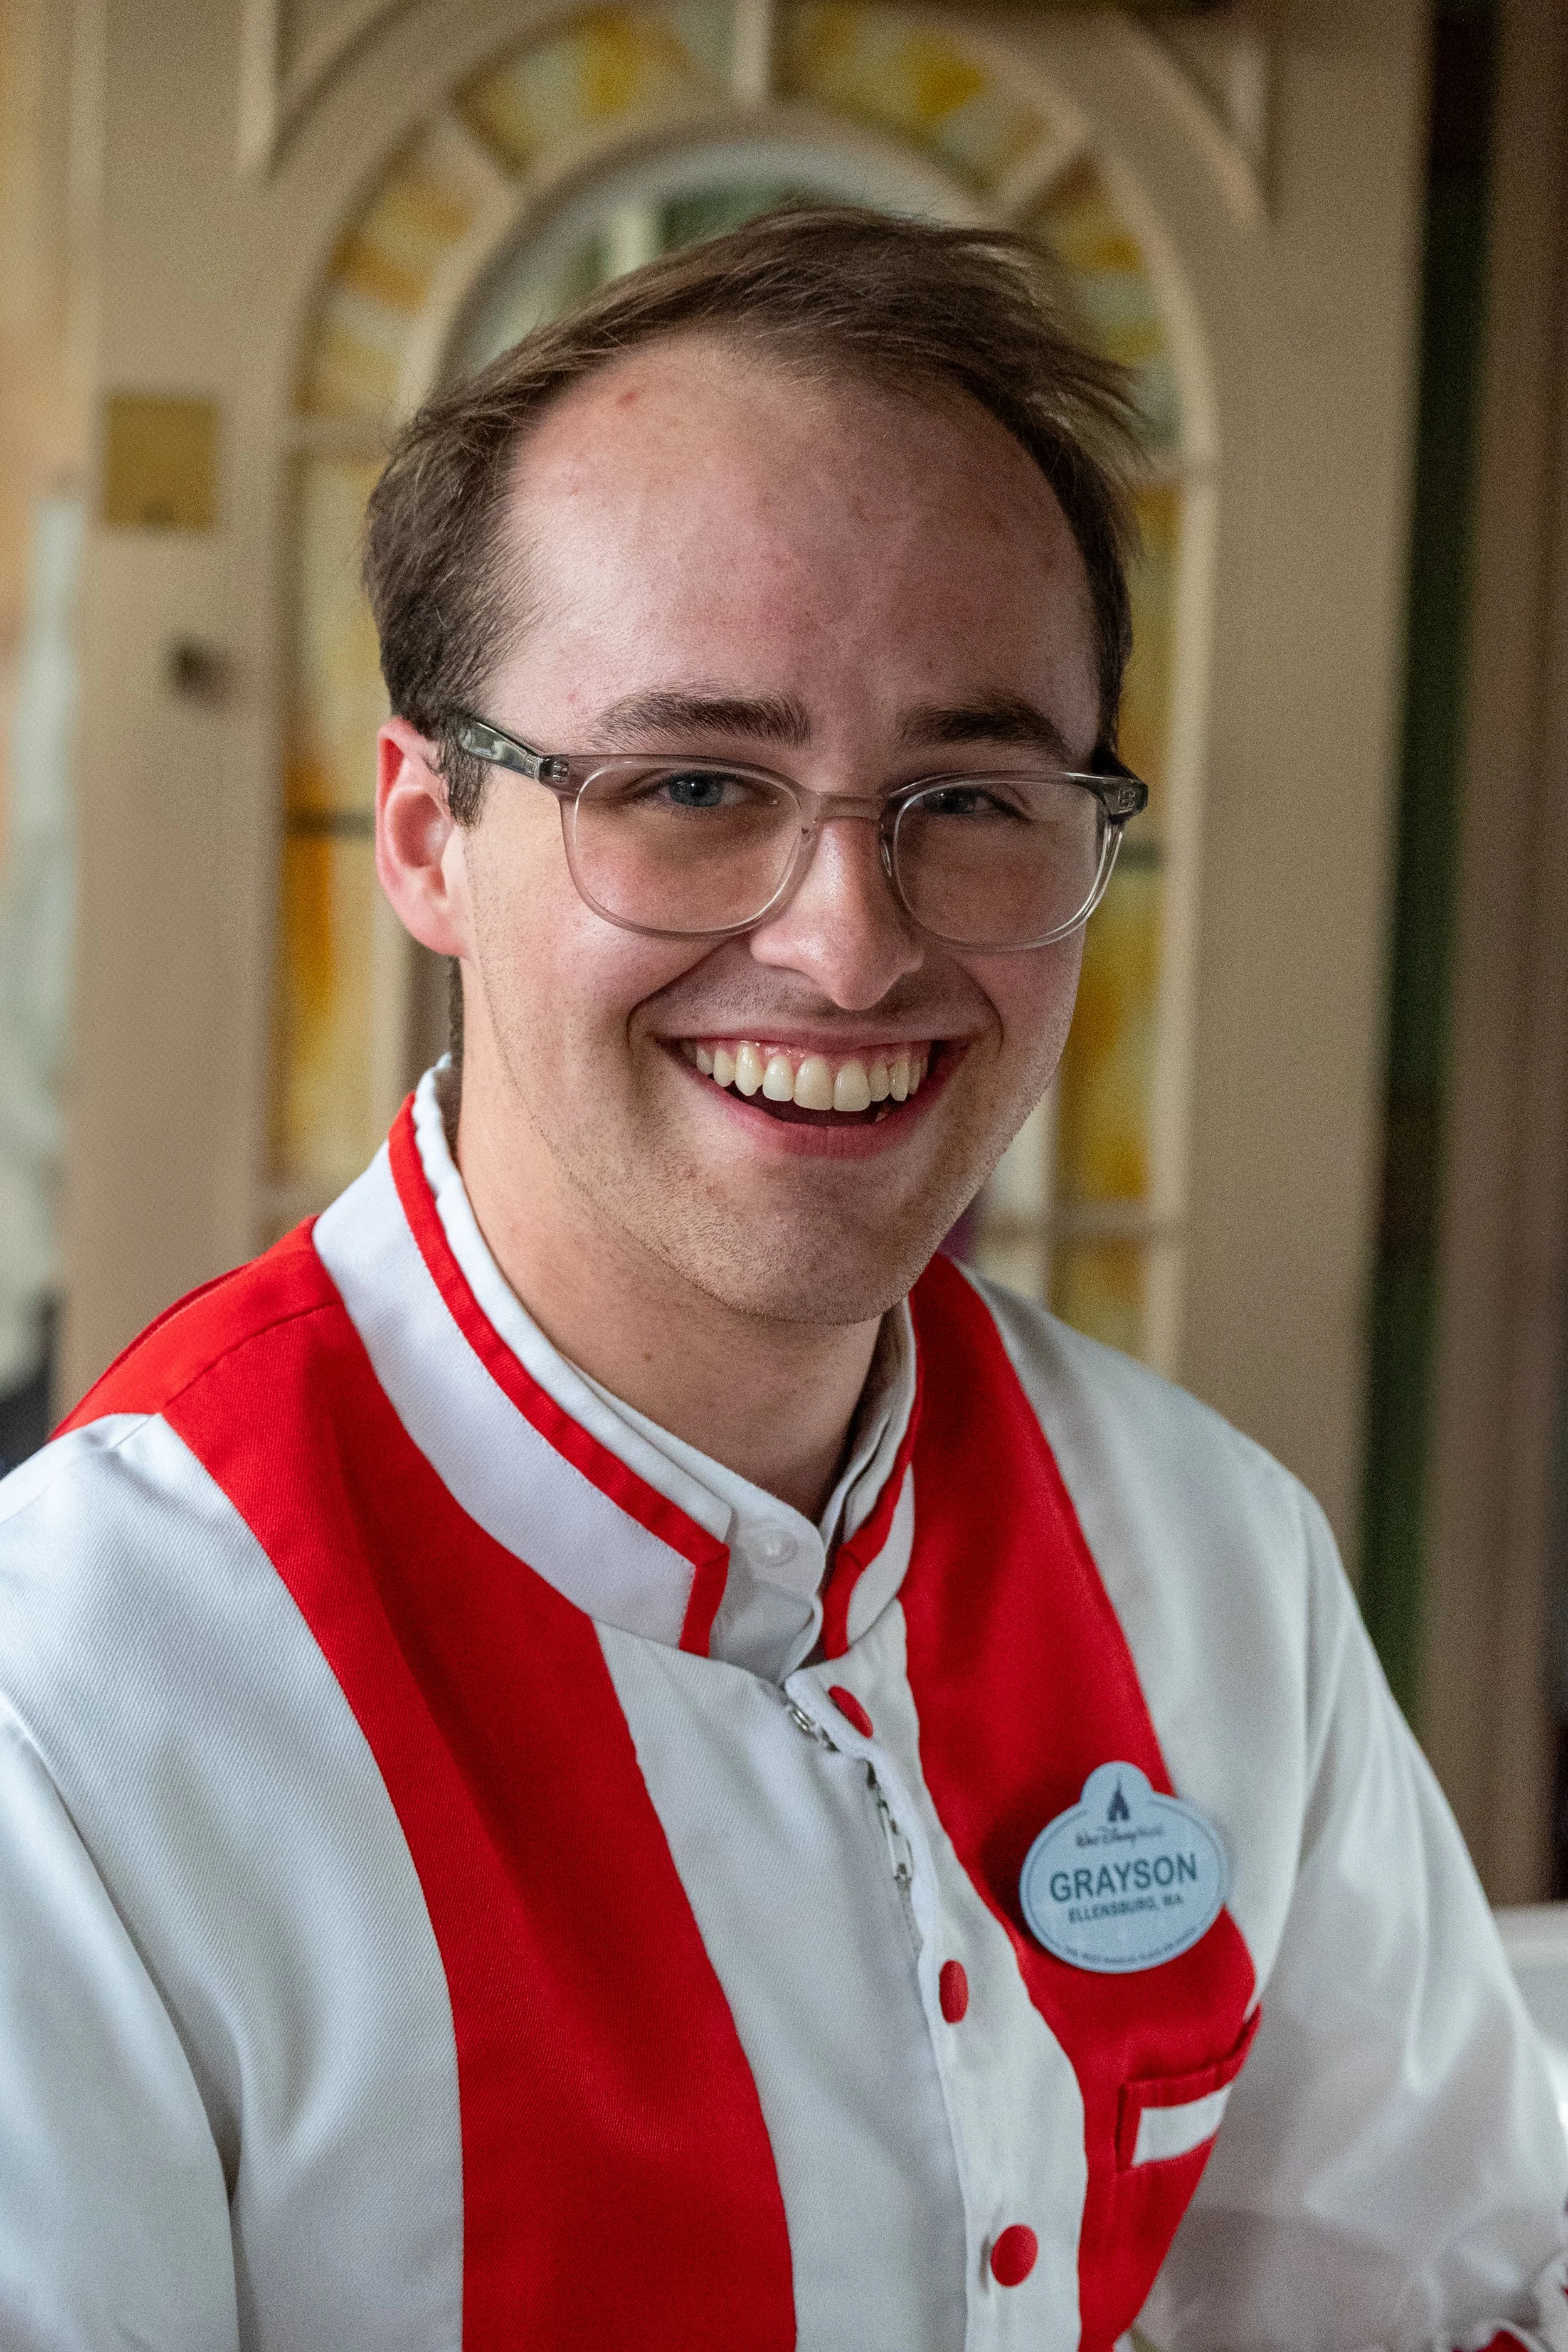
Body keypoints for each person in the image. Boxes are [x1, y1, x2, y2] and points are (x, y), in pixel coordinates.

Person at [0, 206, 1562, 2352]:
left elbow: (1448, 2295)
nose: (846, 941)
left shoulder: (1207, 1564)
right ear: (430, 834)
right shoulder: (81, 1705)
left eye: (972, 794)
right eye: (696, 785)